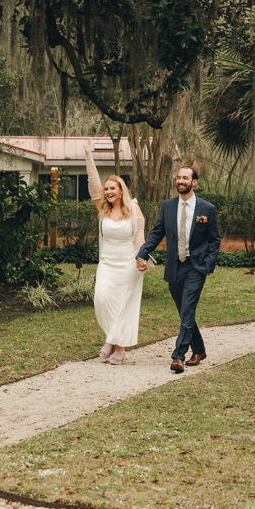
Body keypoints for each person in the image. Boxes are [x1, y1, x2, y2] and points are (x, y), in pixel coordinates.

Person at [135, 166, 221, 373]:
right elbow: (157, 233)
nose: (180, 181)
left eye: (185, 177)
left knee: (188, 308)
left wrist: (208, 263)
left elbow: (215, 239)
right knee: (185, 312)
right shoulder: (168, 206)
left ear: (194, 182)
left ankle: (178, 356)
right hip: (175, 266)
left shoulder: (206, 209)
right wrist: (142, 253)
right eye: (178, 177)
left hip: (196, 265)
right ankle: (199, 349)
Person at [85, 142, 146, 365]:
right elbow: (92, 185)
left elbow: (139, 235)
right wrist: (88, 158)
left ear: (121, 191)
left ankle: (118, 348)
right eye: (106, 189)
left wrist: (142, 258)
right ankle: (111, 340)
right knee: (101, 299)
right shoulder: (102, 209)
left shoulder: (134, 209)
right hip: (107, 264)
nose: (108, 192)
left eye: (112, 188)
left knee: (124, 306)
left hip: (129, 264)